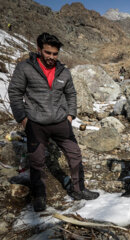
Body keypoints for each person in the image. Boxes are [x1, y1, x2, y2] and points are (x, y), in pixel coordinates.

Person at [8, 32, 99, 212]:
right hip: (35, 124)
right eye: (48, 52)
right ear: (39, 49)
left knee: (75, 155)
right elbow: (15, 93)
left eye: (55, 54)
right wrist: (23, 119)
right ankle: (39, 197)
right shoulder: (25, 68)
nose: (51, 57)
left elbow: (71, 94)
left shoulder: (63, 71)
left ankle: (78, 190)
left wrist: (70, 115)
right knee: (37, 161)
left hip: (60, 123)